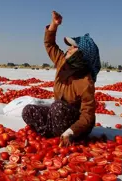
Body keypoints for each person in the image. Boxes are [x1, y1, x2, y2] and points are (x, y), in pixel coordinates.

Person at [22, 11, 101, 146]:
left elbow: (87, 116)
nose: (69, 48)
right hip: (57, 116)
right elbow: (50, 45)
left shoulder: (85, 81)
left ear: (82, 55)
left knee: (58, 107)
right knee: (28, 110)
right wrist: (54, 25)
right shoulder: (62, 62)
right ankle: (54, 134)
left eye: (74, 47)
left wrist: (71, 131)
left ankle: (60, 135)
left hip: (75, 124)